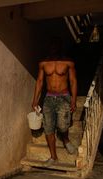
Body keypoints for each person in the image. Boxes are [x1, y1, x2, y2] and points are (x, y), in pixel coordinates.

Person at [32, 37, 78, 167]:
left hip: (64, 97)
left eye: (55, 46)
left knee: (63, 126)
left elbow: (73, 81)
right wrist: (35, 99)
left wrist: (73, 99)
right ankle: (53, 157)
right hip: (49, 98)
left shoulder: (68, 62)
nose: (53, 49)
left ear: (59, 47)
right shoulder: (43, 63)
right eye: (51, 46)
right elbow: (40, 81)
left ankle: (66, 140)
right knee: (48, 128)